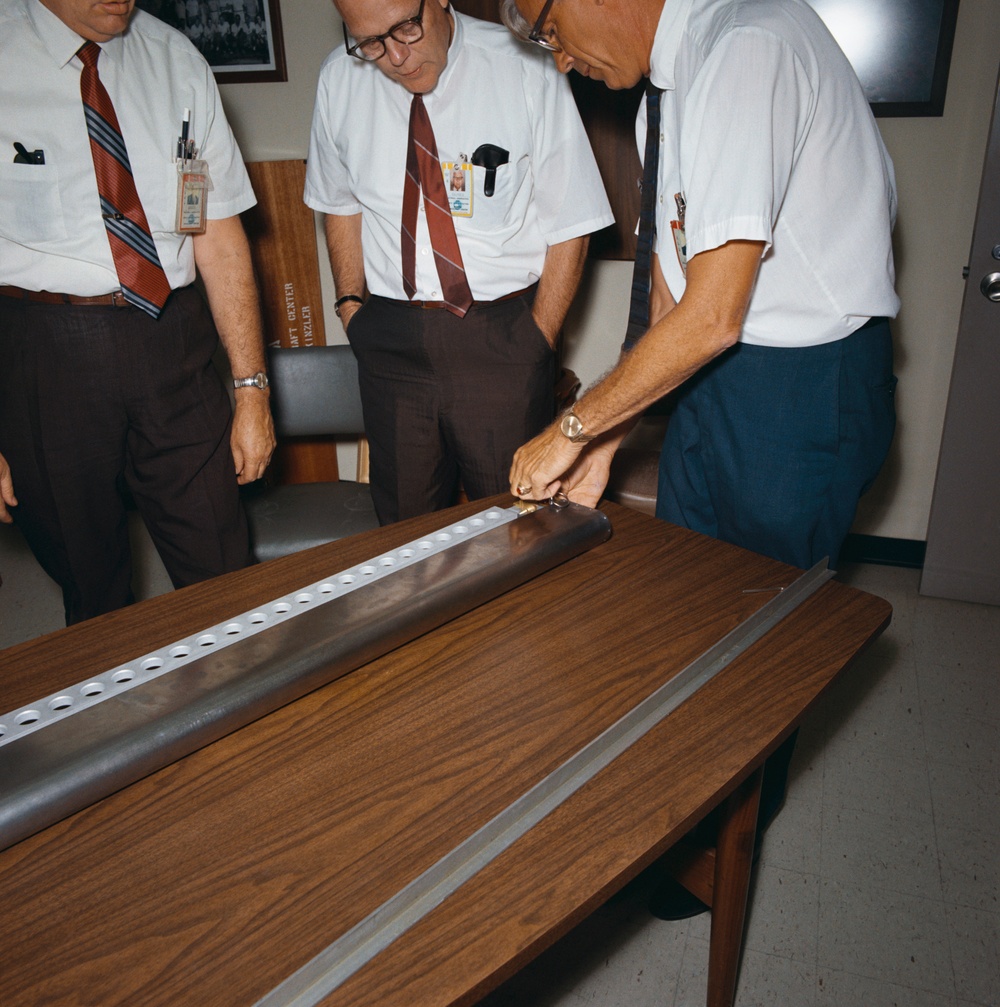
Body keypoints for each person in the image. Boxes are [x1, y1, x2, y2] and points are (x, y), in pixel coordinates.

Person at [500, 0, 899, 916]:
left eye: (548, 30)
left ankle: (726, 843)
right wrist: (607, 439)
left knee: (761, 638)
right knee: (681, 618)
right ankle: (682, 814)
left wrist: (566, 426)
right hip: (721, 374)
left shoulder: (745, 45)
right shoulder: (667, 88)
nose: (559, 61)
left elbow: (714, 313)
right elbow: (678, 297)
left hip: (800, 386)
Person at [0, 0, 276, 626]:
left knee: (223, 568)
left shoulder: (174, 58)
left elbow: (215, 231)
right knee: (92, 591)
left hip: (175, 341)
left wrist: (252, 390)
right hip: (44, 353)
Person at [304, 0, 614, 524]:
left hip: (500, 343)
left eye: (406, 27)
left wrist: (538, 338)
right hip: (390, 342)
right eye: (371, 43)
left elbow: (572, 219)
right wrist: (351, 306)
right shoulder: (339, 78)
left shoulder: (525, 64)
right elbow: (339, 204)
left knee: (520, 528)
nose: (396, 57)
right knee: (403, 543)